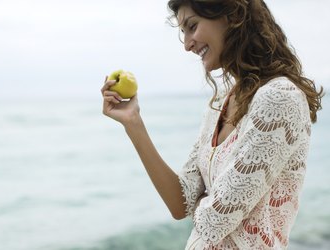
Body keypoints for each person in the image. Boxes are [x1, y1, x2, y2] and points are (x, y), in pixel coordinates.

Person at [101, 0, 323, 249]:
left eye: (192, 26)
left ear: (232, 15)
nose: (187, 45)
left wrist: (208, 204)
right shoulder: (219, 104)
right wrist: (134, 123)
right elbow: (179, 203)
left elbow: (213, 222)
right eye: (183, 33)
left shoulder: (280, 96)